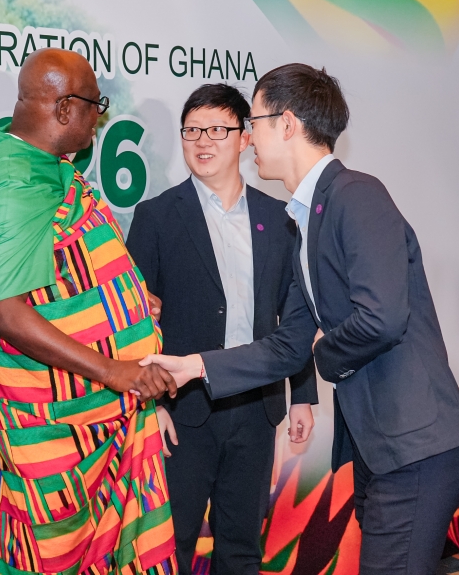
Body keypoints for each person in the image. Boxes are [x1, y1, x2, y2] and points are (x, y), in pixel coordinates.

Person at [142, 64, 459, 574]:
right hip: (380, 446)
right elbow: (288, 343)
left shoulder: (356, 196)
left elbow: (382, 317)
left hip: (414, 442)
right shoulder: (305, 219)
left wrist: (323, 353)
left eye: (254, 122)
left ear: (287, 124)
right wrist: (197, 367)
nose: (249, 137)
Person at [0, 48, 178, 574]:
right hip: (51, 427)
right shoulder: (12, 181)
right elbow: (5, 313)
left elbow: (57, 268)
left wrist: (123, 295)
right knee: (49, 558)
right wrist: (115, 371)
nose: (99, 117)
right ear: (64, 108)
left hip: (95, 414)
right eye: (96, 105)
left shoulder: (44, 163)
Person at [126, 83, 317, 574]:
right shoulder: (156, 216)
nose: (202, 142)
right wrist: (152, 405)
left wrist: (302, 396)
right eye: (192, 131)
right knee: (172, 545)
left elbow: (294, 315)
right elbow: (133, 321)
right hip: (181, 411)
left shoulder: (280, 218)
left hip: (256, 407)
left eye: (216, 130)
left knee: (241, 546)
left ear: (244, 139)